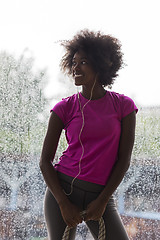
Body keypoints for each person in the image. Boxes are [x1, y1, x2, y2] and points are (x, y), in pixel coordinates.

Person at [40, 30, 138, 240]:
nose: (76, 67)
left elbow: (123, 160)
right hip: (62, 193)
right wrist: (63, 204)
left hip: (100, 195)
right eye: (74, 62)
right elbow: (45, 161)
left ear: (101, 64)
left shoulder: (124, 107)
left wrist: (103, 200)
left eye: (83, 61)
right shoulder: (63, 108)